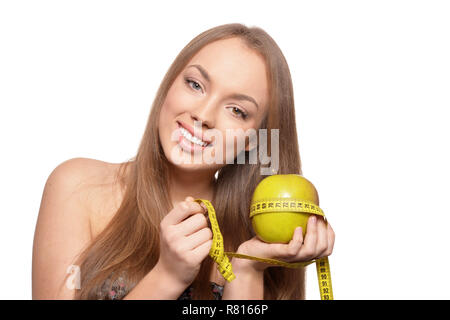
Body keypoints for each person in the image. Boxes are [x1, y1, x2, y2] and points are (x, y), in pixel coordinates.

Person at [32, 23, 335, 300]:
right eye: (195, 85)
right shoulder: (78, 186)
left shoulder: (256, 233)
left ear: (255, 140)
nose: (203, 115)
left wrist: (246, 271)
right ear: (170, 84)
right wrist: (167, 277)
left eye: (237, 111)